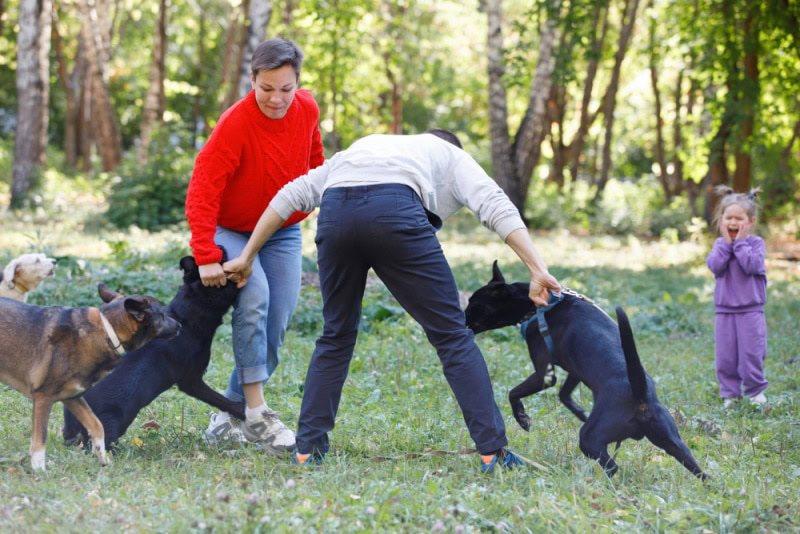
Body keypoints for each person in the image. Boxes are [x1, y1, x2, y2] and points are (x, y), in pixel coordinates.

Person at [222, 129, 561, 472]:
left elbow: (289, 196)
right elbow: (496, 205)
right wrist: (537, 269)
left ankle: (308, 450)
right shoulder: (451, 154)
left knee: (336, 335)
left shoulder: (367, 147)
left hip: (336, 213)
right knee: (452, 336)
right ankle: (493, 453)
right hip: (395, 210)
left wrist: (247, 255)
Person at [185, 38, 324, 454]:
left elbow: (315, 157)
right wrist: (206, 255)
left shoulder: (308, 108)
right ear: (252, 79)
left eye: (286, 89)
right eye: (266, 89)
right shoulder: (235, 122)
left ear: (298, 83)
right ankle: (258, 414)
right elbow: (204, 186)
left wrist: (313, 200)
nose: (276, 99)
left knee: (277, 322)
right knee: (255, 296)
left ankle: (230, 414)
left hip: (281, 231)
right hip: (233, 229)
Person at [705, 185, 768, 408]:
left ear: (750, 221)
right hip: (724, 311)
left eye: (739, 218)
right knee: (726, 357)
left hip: (751, 310)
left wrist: (740, 243)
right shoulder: (720, 245)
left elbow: (751, 265)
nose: (733, 222)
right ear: (721, 220)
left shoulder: (756, 244)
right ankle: (730, 394)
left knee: (752, 354)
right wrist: (727, 245)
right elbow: (715, 266)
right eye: (728, 217)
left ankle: (756, 392)